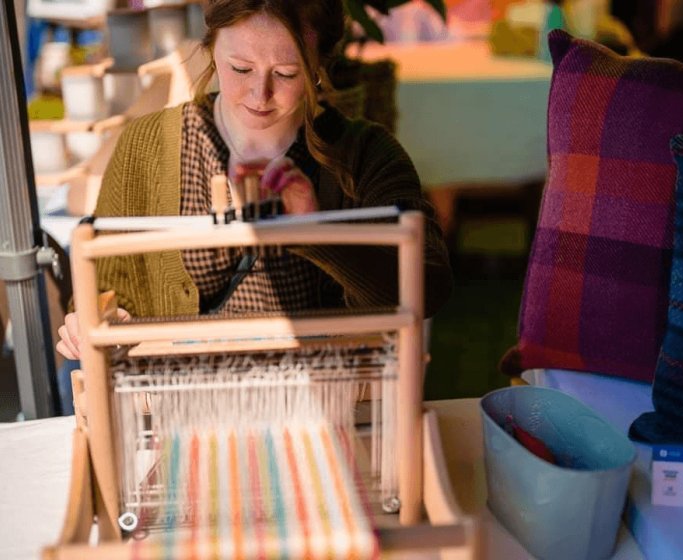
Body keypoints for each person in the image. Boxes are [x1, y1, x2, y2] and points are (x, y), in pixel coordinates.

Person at [57, 0, 452, 363]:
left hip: (327, 412)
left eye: (286, 73)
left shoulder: (365, 156)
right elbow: (104, 289)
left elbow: (429, 288)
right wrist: (100, 321)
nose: (260, 95)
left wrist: (319, 233)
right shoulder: (147, 148)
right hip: (185, 411)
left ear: (318, 64)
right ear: (211, 47)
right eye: (240, 69)